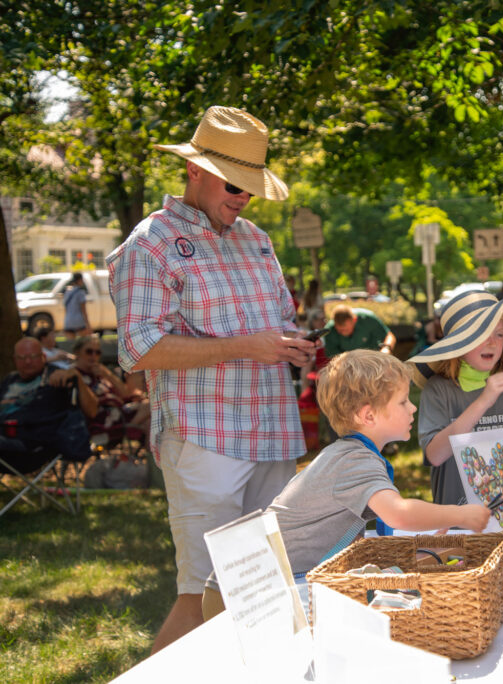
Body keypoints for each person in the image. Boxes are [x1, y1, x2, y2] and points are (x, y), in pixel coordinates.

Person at [106, 105, 315, 653]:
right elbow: (138, 349)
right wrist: (249, 346)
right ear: (194, 170)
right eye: (233, 184)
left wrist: (294, 347)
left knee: (264, 585)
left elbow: (276, 322)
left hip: (273, 432)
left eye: (251, 188)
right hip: (205, 440)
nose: (243, 197)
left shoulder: (257, 239)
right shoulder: (149, 242)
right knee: (201, 592)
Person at [201, 350, 490, 616]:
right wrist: (459, 514)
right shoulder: (355, 461)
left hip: (257, 581)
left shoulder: (351, 455)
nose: (412, 408)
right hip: (248, 590)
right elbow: (398, 512)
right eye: (403, 401)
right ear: (368, 415)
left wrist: (425, 534)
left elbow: (388, 525)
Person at [410, 288, 503, 507]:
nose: (492, 342)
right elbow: (435, 456)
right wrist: (483, 401)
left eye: (499, 334)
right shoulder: (439, 389)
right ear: (458, 343)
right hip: (458, 528)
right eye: (482, 334)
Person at [0, 337, 92, 471]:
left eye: (33, 356)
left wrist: (77, 378)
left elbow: (92, 410)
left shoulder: (57, 377)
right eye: (21, 357)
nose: (28, 361)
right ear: (15, 360)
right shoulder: (10, 380)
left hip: (31, 448)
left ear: (43, 356)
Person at [71, 336, 151, 440]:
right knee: (152, 405)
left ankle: (150, 454)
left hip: (119, 414)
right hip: (102, 421)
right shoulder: (75, 375)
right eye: (89, 351)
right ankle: (130, 429)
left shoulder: (99, 373)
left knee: (150, 423)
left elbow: (125, 394)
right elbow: (90, 408)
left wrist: (108, 375)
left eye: (97, 352)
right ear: (77, 352)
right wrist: (109, 399)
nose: (94, 356)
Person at [324, 305, 396, 359]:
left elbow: (389, 335)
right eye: (339, 330)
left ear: (354, 320)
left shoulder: (368, 319)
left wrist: (386, 348)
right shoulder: (329, 330)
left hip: (375, 359)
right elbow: (333, 357)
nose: (343, 333)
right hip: (348, 365)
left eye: (346, 329)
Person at [62, 272, 91, 339]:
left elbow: (65, 308)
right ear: (80, 280)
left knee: (70, 343)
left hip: (68, 321)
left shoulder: (67, 292)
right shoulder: (81, 292)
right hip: (79, 320)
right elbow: (83, 310)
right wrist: (88, 324)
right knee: (83, 342)